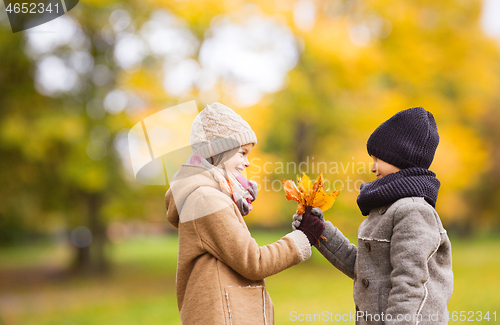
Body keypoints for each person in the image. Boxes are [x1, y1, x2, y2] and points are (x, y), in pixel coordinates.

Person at [165, 102, 325, 325]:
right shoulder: (206, 199)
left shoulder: (209, 195)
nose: (247, 162)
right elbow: (253, 261)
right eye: (242, 153)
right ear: (216, 151)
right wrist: (303, 237)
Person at [294, 107, 453, 325]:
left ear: (402, 157)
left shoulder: (413, 211)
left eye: (378, 158)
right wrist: (320, 231)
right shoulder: (385, 209)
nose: (372, 167)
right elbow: (365, 269)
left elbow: (409, 284)